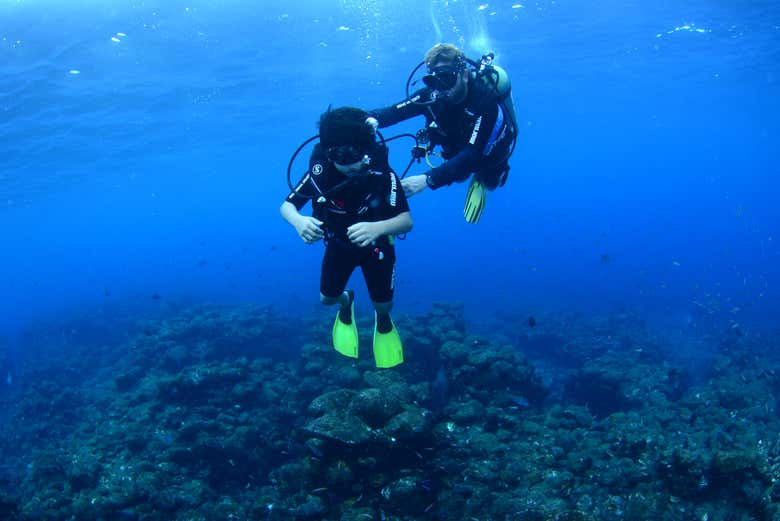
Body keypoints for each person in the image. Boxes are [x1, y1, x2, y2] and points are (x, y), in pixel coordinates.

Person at [280, 106, 413, 368]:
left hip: (377, 247)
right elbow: (286, 206)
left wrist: (376, 229)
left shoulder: (382, 174)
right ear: (329, 152)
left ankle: (383, 320)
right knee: (327, 299)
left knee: (383, 305)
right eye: (340, 156)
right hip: (340, 245)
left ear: (367, 148)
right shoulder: (320, 174)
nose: (350, 164)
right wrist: (299, 221)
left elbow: (406, 221)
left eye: (356, 154)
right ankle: (346, 301)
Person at [368, 43, 518, 223]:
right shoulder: (431, 95)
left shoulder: (484, 101)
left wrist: (427, 179)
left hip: (487, 152)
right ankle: (460, 172)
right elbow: (393, 112)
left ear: (464, 74)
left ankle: (481, 180)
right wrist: (369, 119)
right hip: (458, 150)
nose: (439, 89)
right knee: (459, 175)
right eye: (432, 82)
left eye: (446, 79)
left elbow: (473, 154)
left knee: (491, 181)